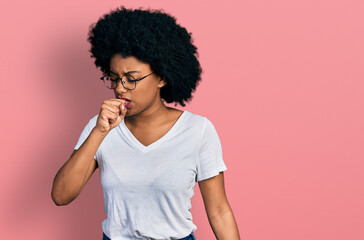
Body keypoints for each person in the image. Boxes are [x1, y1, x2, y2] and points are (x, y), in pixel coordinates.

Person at [51, 6, 240, 240]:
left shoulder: (197, 131)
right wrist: (99, 132)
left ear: (162, 77)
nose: (120, 88)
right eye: (114, 78)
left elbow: (219, 211)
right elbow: (61, 196)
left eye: (131, 79)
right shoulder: (100, 127)